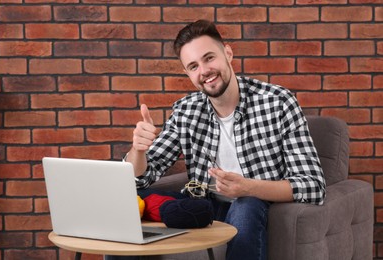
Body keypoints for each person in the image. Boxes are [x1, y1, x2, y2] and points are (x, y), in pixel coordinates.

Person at [106, 20, 325, 260]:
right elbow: (143, 176)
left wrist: (248, 187)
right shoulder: (186, 111)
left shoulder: (278, 102)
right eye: (193, 66)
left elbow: (312, 185)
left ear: (227, 53)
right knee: (124, 206)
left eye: (209, 58)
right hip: (203, 205)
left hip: (255, 204)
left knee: (246, 205)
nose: (204, 71)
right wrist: (138, 150)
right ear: (187, 73)